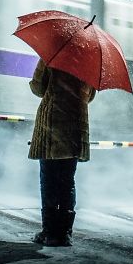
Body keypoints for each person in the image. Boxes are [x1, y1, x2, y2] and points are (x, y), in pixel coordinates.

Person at [27, 57, 96, 247]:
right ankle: (65, 233)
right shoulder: (89, 62)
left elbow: (38, 88)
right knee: (67, 181)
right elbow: (89, 96)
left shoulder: (52, 54)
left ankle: (49, 232)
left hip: (52, 124)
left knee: (48, 179)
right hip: (76, 125)